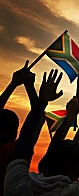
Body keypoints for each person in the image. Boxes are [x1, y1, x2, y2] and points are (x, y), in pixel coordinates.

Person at [4, 73, 79, 196]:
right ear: (78, 169)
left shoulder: (16, 186)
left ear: (46, 159)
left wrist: (44, 103)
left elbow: (24, 144)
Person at [0, 61, 34, 196]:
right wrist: (31, 89)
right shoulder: (13, 153)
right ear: (15, 133)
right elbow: (32, 128)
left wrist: (13, 83)